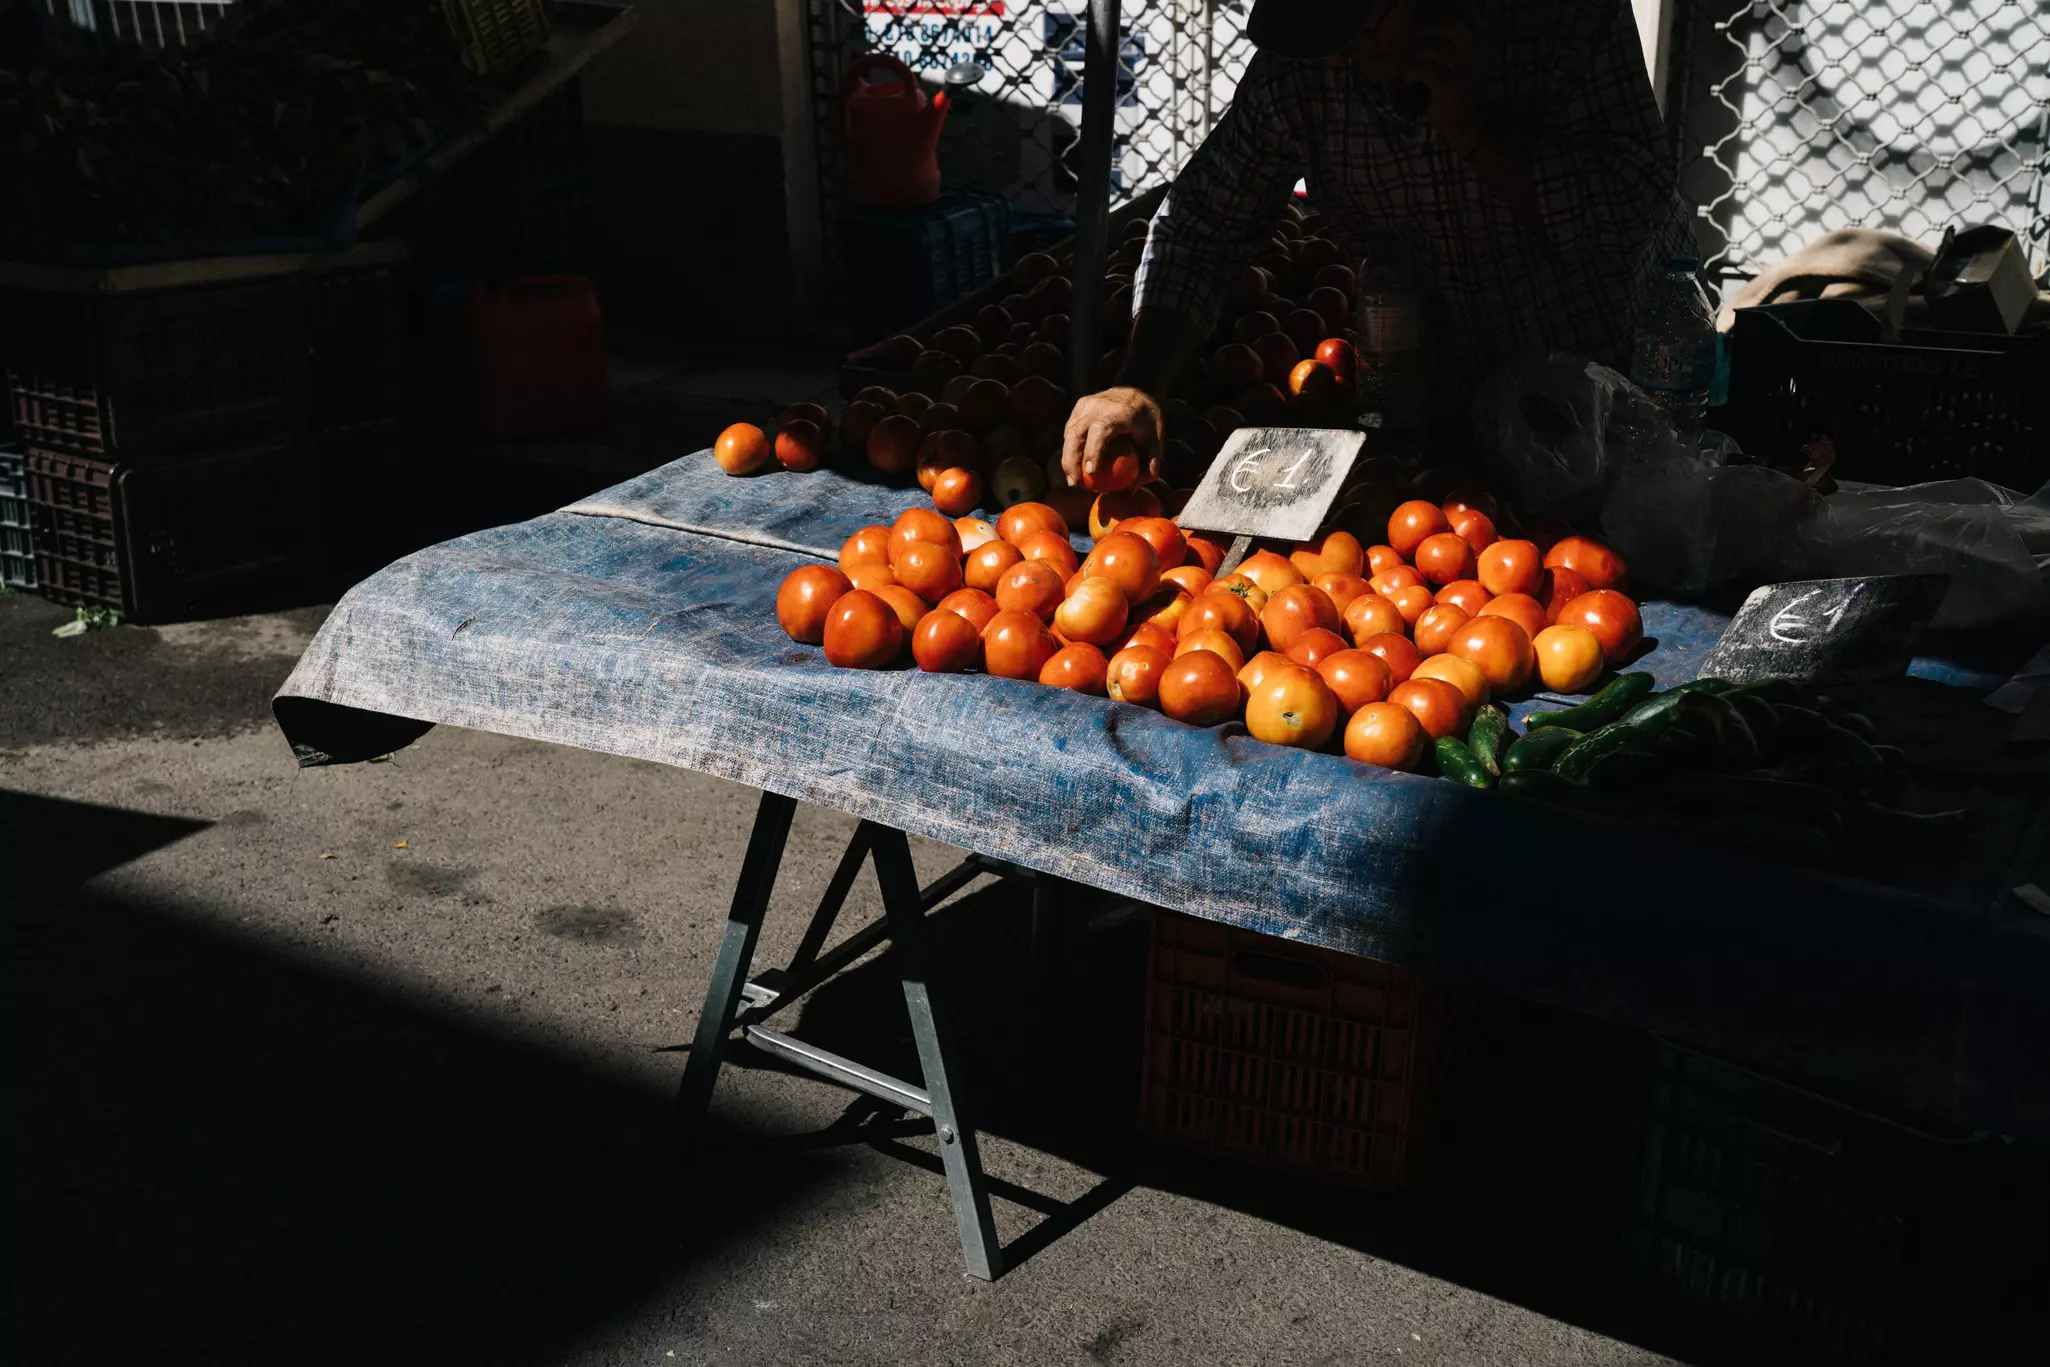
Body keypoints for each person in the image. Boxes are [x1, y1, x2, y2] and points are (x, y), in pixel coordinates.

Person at [1062, 0, 1697, 484]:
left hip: (1613, 404)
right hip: (1440, 415)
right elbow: (1202, 225)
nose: (1341, 60)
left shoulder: (1564, 24)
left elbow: (1628, 215)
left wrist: (1474, 132)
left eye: (1362, 30)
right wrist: (1139, 384)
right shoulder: (1305, 74)